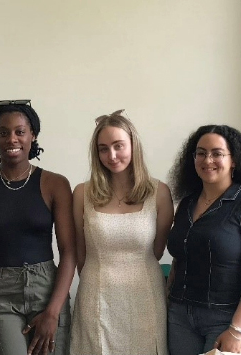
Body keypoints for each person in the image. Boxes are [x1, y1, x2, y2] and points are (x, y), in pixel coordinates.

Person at [0, 100, 75, 355]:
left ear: (32, 135)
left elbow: (69, 252)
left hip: (47, 291)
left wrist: (53, 312)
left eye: (20, 132)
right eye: (3, 132)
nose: (12, 139)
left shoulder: (55, 184)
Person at [69, 110, 173, 354]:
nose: (112, 155)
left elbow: (156, 251)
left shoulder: (159, 192)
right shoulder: (82, 194)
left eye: (118, 146)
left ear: (133, 146)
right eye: (103, 148)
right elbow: (80, 253)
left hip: (145, 297)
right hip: (96, 295)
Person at [167, 125, 241, 354]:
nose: (208, 160)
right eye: (201, 153)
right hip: (181, 317)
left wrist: (237, 330)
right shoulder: (187, 204)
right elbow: (180, 258)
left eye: (217, 153)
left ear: (233, 160)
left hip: (229, 318)